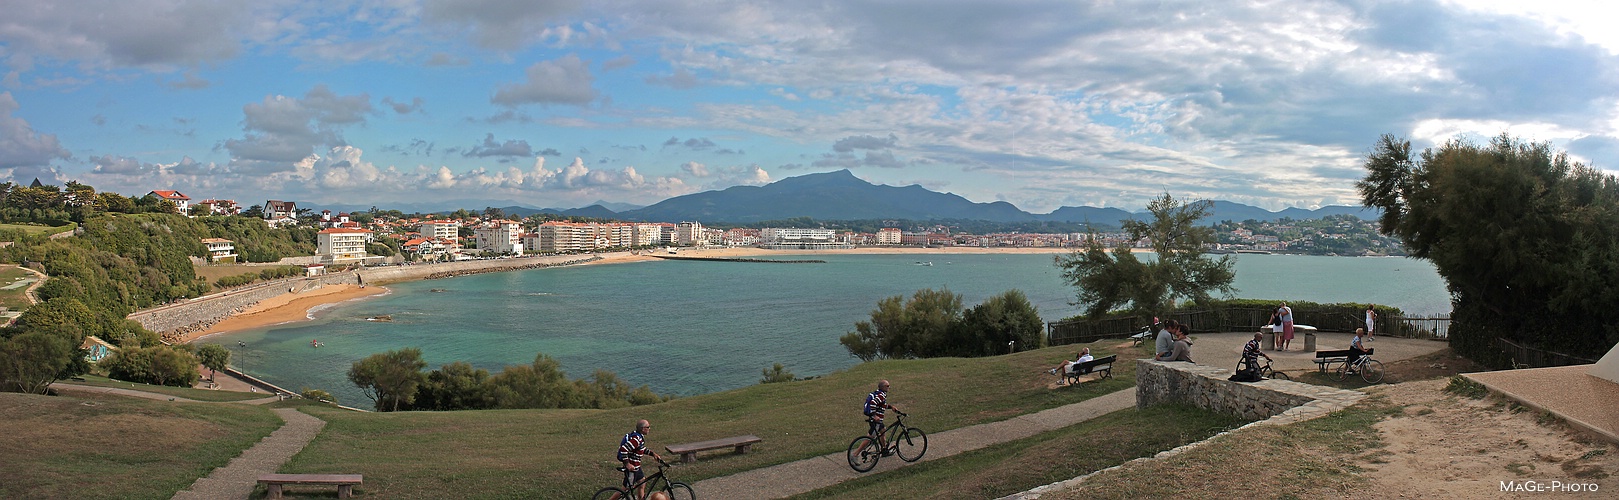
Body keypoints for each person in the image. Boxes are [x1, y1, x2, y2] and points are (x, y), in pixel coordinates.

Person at [614, 419, 665, 500]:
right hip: (632, 468)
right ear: (643, 428)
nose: (649, 429)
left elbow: (641, 449)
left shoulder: (639, 437)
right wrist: (627, 464)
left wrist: (653, 454)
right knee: (625, 490)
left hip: (637, 467)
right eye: (648, 427)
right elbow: (623, 449)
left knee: (641, 482)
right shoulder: (636, 439)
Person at [861, 380, 898, 455]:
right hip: (876, 421)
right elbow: (873, 403)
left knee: (883, 430)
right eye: (887, 386)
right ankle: (855, 454)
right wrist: (875, 416)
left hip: (878, 421)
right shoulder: (881, 395)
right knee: (870, 438)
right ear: (883, 387)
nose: (889, 387)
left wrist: (891, 407)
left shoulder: (880, 393)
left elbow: (881, 405)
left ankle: (884, 450)